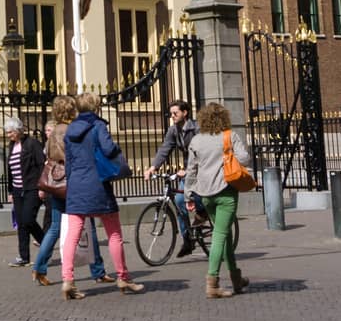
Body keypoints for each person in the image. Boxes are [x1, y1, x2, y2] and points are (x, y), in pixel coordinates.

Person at [58, 93, 144, 299]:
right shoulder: (98, 126)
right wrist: (116, 150)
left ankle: (67, 279)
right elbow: (108, 149)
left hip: (76, 184)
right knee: (114, 233)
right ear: (95, 107)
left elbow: (68, 161)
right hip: (97, 184)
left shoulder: (70, 130)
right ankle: (123, 277)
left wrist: (72, 182)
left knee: (73, 233)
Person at [183, 102, 252, 299]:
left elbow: (191, 171)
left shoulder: (196, 140)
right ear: (224, 118)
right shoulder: (229, 136)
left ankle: (236, 278)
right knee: (220, 235)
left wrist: (189, 194)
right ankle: (212, 282)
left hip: (205, 194)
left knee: (225, 235)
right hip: (226, 192)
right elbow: (245, 159)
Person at [31, 120, 109, 287]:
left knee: (54, 228)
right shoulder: (71, 130)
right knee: (89, 226)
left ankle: (39, 267)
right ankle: (98, 271)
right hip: (73, 184)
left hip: (57, 184)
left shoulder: (54, 133)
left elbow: (49, 156)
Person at [145, 99, 201, 257]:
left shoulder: (196, 128)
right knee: (178, 200)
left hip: (201, 169)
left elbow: (202, 152)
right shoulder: (174, 130)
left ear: (185, 113)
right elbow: (165, 149)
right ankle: (187, 240)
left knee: (187, 198)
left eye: (175, 113)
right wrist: (152, 168)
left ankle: (202, 212)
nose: (173, 116)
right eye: (171, 114)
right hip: (188, 171)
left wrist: (189, 170)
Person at [4, 116, 45, 268]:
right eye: (7, 133)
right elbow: (10, 170)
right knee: (21, 223)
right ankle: (24, 257)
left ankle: (45, 241)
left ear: (18, 130)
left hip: (32, 188)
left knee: (28, 219)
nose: (8, 136)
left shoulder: (32, 144)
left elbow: (41, 165)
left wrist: (42, 187)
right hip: (17, 189)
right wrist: (10, 191)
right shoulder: (11, 146)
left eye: (10, 132)